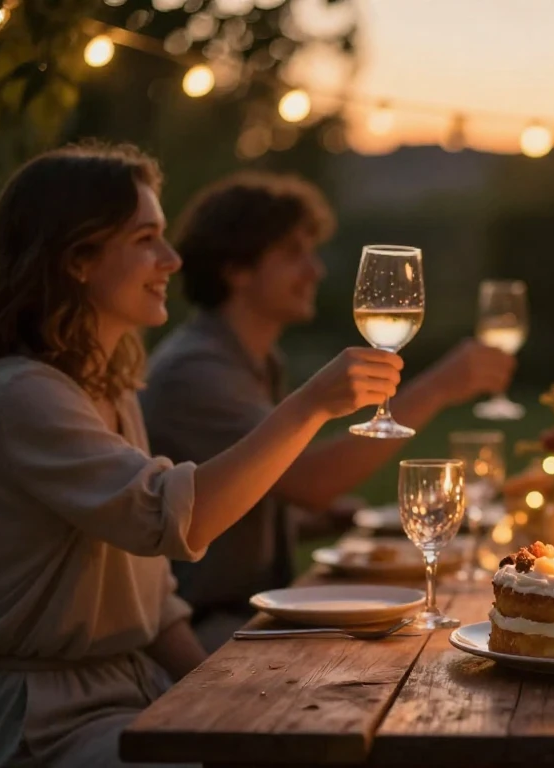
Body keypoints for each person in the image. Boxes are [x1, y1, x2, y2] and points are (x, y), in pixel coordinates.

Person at [0, 143, 404, 768]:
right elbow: (177, 518)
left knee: (329, 716)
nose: (172, 259)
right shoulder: (22, 395)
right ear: (77, 257)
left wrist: (227, 695)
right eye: (145, 238)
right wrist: (312, 404)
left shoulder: (107, 390)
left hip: (135, 691)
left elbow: (155, 606)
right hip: (45, 720)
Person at [139, 171, 515, 649]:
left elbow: (254, 490)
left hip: (255, 609)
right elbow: (311, 482)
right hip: (203, 628)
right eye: (293, 253)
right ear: (237, 267)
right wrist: (439, 386)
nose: (314, 270)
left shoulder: (253, 360)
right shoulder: (195, 369)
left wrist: (314, 522)